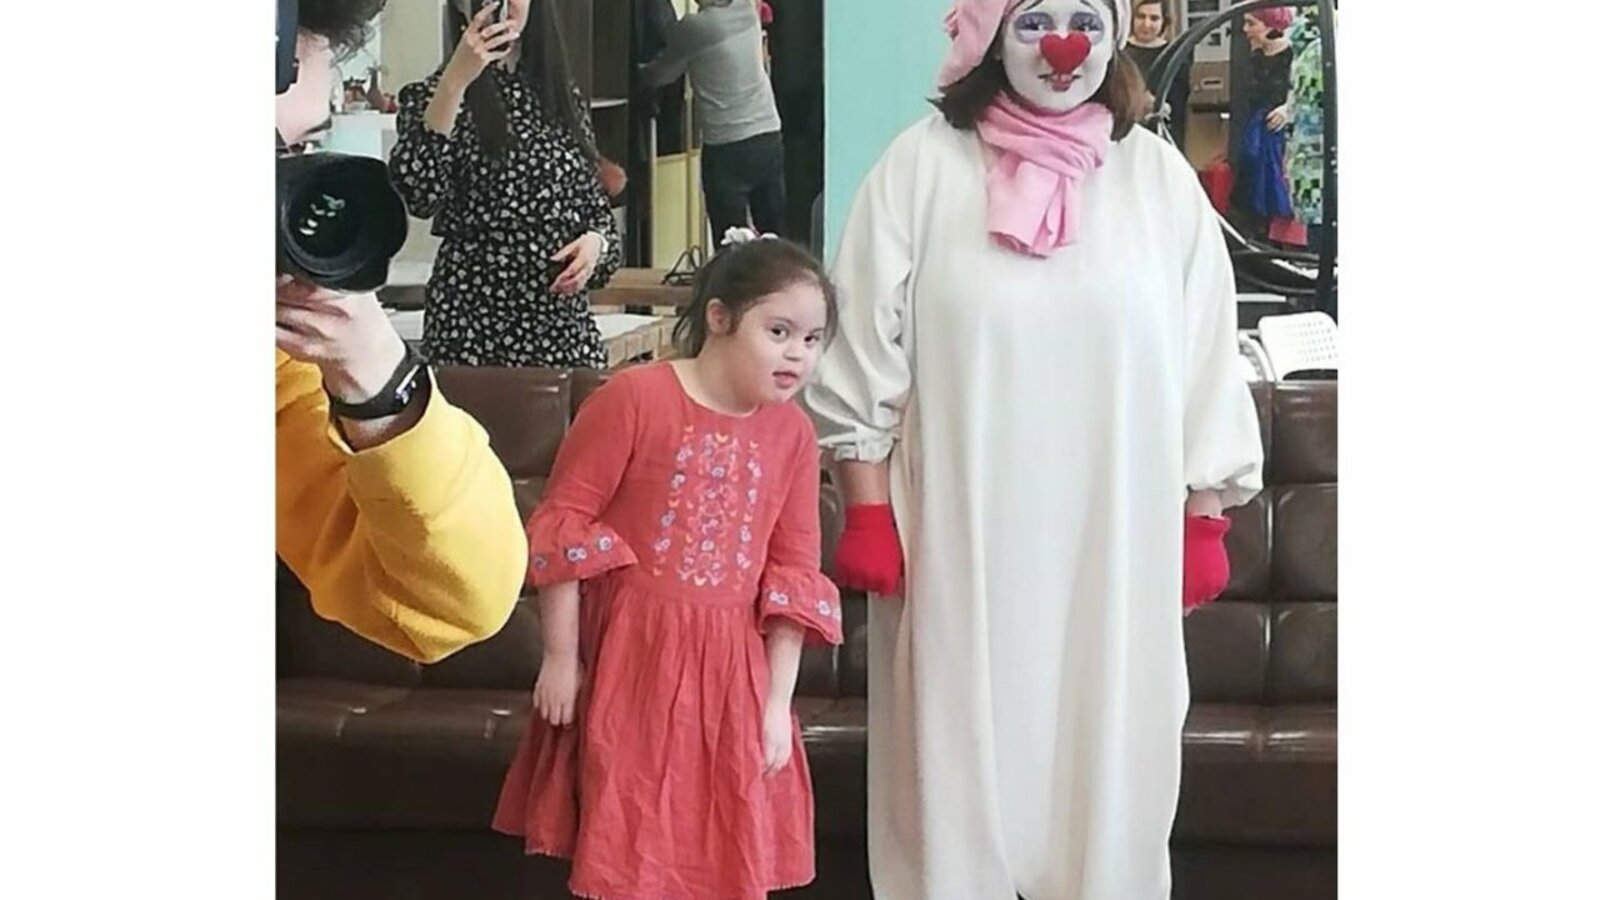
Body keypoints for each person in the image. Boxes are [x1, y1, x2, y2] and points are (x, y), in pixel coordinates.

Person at [802, 1, 1264, 897]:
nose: (1063, 45)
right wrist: (866, 508)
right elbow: (862, 351)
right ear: (989, 36)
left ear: (1116, 35)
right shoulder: (921, 167)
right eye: (1036, 20)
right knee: (955, 751)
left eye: (1086, 19)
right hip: (959, 534)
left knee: (1109, 750)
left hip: (1115, 541)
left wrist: (1204, 515)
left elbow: (1206, 351)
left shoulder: (1157, 180)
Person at [491, 231, 843, 900]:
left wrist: (776, 708)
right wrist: (561, 658)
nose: (798, 353)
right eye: (778, 331)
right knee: (626, 840)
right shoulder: (633, 398)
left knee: (720, 850)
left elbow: (794, 575)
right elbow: (564, 527)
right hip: (630, 660)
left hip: (733, 675)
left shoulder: (795, 436)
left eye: (812, 339)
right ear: (719, 317)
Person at [276, 0, 526, 663]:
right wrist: (455, 80)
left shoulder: (274, 372)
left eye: (297, 152)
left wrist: (375, 379)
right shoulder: (436, 97)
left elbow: (458, 602)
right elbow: (419, 183)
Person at [388, 0, 622, 368]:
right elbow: (418, 193)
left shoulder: (559, 95)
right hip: (473, 331)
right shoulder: (432, 95)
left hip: (563, 329)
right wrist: (455, 81)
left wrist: (597, 244)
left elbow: (598, 212)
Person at [641, 0, 788, 238]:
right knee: (773, 235)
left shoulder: (693, 28)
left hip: (726, 146)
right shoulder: (747, 9)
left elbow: (660, 75)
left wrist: (632, 72)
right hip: (768, 135)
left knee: (731, 242)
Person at [1233, 5, 1298, 244]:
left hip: (1283, 135)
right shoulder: (1255, 58)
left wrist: (1288, 109)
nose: (1246, 29)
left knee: (1278, 184)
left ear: (1270, 25)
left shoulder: (1294, 54)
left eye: (1252, 23)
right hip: (1257, 132)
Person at [1125, 0, 1190, 151]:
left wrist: (1157, 106)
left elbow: (1179, 103)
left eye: (1154, 18)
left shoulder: (1175, 55)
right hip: (1127, 136)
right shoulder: (1119, 53)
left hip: (1163, 138)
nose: (1146, 24)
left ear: (1164, 21)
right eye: (1141, 16)